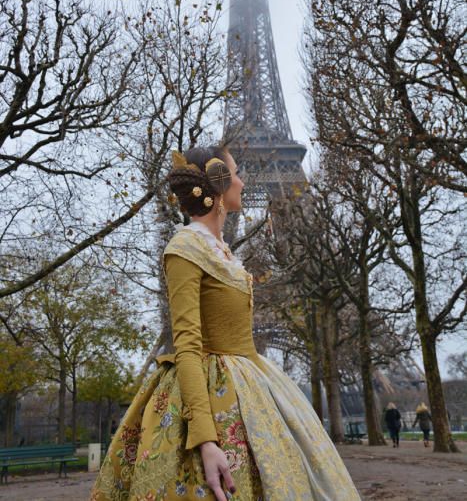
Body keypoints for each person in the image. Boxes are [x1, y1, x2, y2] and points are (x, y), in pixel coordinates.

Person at [90, 146, 361, 500]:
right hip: (212, 399)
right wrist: (205, 439)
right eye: (236, 173)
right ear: (218, 183)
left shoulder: (221, 250)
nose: (243, 182)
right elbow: (186, 345)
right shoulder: (185, 247)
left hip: (249, 385)